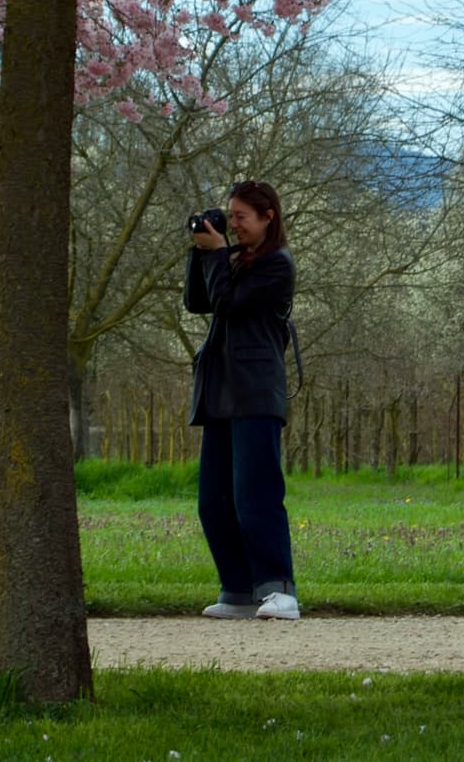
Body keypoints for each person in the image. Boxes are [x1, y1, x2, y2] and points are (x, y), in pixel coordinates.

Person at [187, 180, 300, 621]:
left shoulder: (276, 265)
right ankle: (238, 591)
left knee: (256, 496)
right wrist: (202, 251)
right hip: (220, 392)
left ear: (267, 216)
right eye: (229, 217)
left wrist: (217, 256)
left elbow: (230, 305)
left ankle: (280, 590)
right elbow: (200, 301)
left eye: (240, 218)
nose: (232, 226)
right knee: (213, 501)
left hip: (255, 391)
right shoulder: (234, 260)